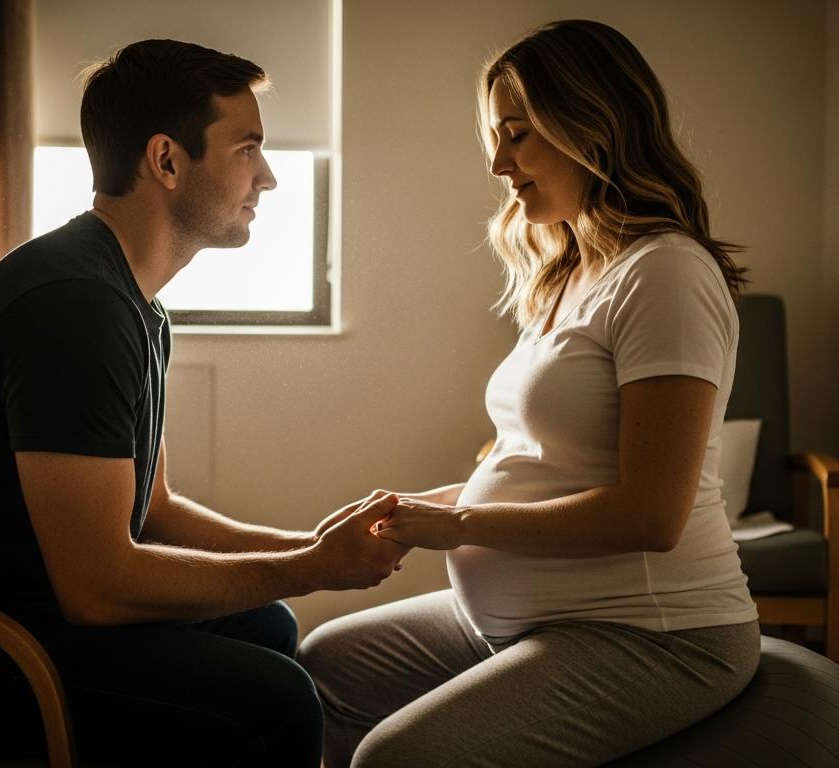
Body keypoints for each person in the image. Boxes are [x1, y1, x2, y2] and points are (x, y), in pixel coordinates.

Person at [0, 38, 406, 766]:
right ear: (166, 160)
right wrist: (317, 566)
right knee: (275, 703)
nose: (267, 177)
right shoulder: (74, 307)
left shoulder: (132, 304)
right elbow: (99, 589)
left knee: (265, 625)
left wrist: (304, 547)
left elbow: (156, 507)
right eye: (247, 149)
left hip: (18, 620)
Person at [298, 19, 760, 767]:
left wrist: (462, 525)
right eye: (496, 134)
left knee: (398, 757)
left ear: (591, 125)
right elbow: (549, 463)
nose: (496, 161)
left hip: (652, 632)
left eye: (516, 133)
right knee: (328, 662)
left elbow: (652, 513)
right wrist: (417, 510)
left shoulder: (666, 275)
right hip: (537, 613)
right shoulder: (571, 273)